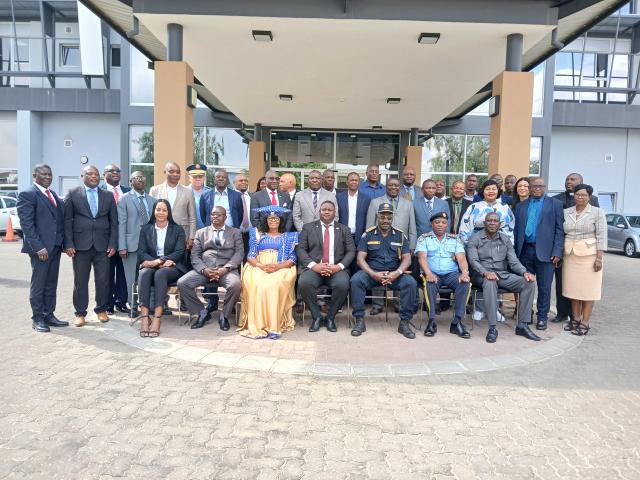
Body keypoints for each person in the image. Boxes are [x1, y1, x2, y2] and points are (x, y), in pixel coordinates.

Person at [467, 212, 540, 343]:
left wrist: (524, 272)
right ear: (484, 223)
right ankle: (492, 327)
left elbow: (513, 261)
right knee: (490, 282)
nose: (492, 223)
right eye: (489, 220)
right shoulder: (475, 239)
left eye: (495, 221)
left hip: (502, 275)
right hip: (481, 276)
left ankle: (522, 325)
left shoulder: (505, 239)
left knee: (528, 283)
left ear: (500, 224)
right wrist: (485, 272)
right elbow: (473, 261)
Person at [350, 203, 417, 339]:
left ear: (392, 218)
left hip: (394, 274)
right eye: (382, 217)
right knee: (356, 280)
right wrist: (372, 273)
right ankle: (359, 321)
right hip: (372, 274)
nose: (385, 220)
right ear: (377, 217)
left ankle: (404, 323)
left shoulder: (400, 236)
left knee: (410, 283)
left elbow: (407, 259)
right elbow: (360, 259)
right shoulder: (368, 235)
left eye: (388, 217)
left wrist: (396, 273)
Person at [64, 165, 118, 327]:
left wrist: (113, 243)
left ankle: (101, 310)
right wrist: (68, 243)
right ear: (82, 176)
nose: (94, 177)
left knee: (103, 280)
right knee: (80, 281)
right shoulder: (73, 193)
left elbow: (114, 222)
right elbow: (67, 220)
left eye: (96, 174)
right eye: (90, 174)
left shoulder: (107, 196)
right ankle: (80, 313)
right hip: (80, 246)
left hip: (103, 246)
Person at [17, 164, 67, 333]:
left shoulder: (51, 194)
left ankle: (49, 314)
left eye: (50, 174)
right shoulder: (28, 194)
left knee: (51, 283)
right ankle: (38, 317)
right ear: (34, 175)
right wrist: (38, 247)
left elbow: (58, 220)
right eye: (43, 174)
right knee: (39, 284)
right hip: (41, 250)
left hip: (54, 247)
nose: (48, 177)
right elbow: (27, 224)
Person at [178, 206, 244, 331]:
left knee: (236, 284)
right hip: (205, 270)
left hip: (226, 270)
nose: (215, 217)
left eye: (218, 215)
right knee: (183, 283)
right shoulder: (201, 232)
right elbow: (195, 255)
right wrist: (204, 269)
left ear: (225, 217)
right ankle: (202, 313)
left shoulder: (235, 232)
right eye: (213, 214)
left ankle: (224, 315)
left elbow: (239, 253)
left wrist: (226, 268)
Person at [238, 206, 299, 339]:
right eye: (270, 218)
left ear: (280, 221)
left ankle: (274, 326)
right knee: (258, 285)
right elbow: (251, 255)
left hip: (282, 267)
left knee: (274, 284)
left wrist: (279, 267)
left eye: (276, 218)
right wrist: (260, 265)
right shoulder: (257, 234)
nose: (273, 221)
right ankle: (258, 325)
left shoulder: (288, 237)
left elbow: (293, 258)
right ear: (265, 221)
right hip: (258, 266)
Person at [297, 200, 356, 332]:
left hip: (336, 269)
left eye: (330, 210)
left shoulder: (344, 229)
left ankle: (330, 317)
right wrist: (314, 266)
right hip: (314, 269)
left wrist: (339, 266)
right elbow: (301, 249)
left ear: (335, 213)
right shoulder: (308, 227)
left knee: (343, 284)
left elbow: (351, 251)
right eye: (324, 209)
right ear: (319, 212)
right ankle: (316, 316)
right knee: (304, 283)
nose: (327, 212)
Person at [514, 177, 564, 331]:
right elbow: (516, 230)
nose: (536, 188)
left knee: (544, 287)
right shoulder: (521, 206)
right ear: (529, 188)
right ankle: (526, 315)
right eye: (533, 186)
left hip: (546, 253)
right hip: (525, 251)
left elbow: (559, 230)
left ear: (544, 187)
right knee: (526, 285)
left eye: (539, 186)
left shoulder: (555, 204)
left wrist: (557, 251)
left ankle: (542, 317)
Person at [134, 199, 188, 337]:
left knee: (161, 274)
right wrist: (155, 263)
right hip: (153, 265)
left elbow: (179, 252)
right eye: (158, 209)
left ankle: (158, 318)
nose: (161, 212)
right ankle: (145, 318)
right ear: (153, 211)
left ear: (168, 212)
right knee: (144, 273)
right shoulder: (146, 229)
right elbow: (141, 251)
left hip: (172, 267)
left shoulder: (177, 230)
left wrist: (160, 261)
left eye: (164, 210)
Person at [552, 172, 599, 324]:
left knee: (582, 286)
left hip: (585, 252)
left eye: (572, 179)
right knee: (562, 283)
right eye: (567, 179)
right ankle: (562, 313)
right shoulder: (556, 200)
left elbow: (599, 230)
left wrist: (599, 256)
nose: (568, 181)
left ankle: (577, 317)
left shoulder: (593, 201)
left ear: (581, 182)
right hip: (564, 249)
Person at [415, 212, 471, 339]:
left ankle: (457, 322)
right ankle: (431, 321)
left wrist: (464, 273)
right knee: (429, 284)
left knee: (465, 283)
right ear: (432, 224)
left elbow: (461, 258)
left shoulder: (455, 239)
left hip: (451, 274)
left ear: (447, 224)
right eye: (437, 222)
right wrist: (428, 273)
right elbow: (422, 258)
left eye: (443, 222)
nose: (440, 225)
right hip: (432, 273)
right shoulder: (424, 238)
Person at [366, 177, 417, 315]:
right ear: (386, 187)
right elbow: (370, 225)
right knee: (377, 266)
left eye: (396, 185)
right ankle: (377, 304)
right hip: (379, 241)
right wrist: (370, 242)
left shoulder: (408, 203)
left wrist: (412, 245)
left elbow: (412, 226)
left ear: (399, 187)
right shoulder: (375, 202)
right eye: (390, 185)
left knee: (399, 270)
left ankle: (398, 303)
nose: (393, 187)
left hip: (400, 243)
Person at [561, 184, 607, 336]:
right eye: (577, 194)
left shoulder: (597, 212)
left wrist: (599, 258)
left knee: (588, 292)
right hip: (570, 255)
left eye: (583, 195)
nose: (580, 197)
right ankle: (575, 319)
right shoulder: (567, 212)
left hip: (590, 256)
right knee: (573, 290)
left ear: (589, 197)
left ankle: (585, 322)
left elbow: (601, 236)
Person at [117, 171, 156, 316]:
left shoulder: (152, 200)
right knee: (131, 279)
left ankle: (150, 306)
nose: (140, 180)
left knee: (150, 276)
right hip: (131, 245)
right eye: (137, 178)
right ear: (131, 181)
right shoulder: (124, 199)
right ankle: (133, 307)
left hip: (150, 246)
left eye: (143, 177)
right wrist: (122, 246)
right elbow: (121, 223)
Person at [100, 164, 131, 314]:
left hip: (125, 239)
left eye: (118, 171)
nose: (116, 173)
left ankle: (121, 301)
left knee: (123, 272)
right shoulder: (99, 191)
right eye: (111, 171)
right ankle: (108, 303)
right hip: (105, 240)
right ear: (104, 174)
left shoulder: (128, 191)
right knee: (107, 273)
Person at [149, 162, 196, 249]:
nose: (175, 174)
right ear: (165, 172)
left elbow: (192, 217)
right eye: (171, 171)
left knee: (180, 262)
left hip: (182, 235)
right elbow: (151, 215)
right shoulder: (155, 190)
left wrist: (192, 237)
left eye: (178, 172)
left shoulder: (188, 192)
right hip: (160, 235)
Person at [459, 179, 515, 245]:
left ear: (498, 191)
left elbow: (510, 228)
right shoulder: (474, 207)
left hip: (500, 246)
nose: (491, 191)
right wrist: (469, 246)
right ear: (483, 191)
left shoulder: (505, 207)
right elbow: (465, 228)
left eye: (494, 189)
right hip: (477, 246)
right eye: (488, 189)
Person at [337, 171, 371, 245]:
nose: (354, 182)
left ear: (359, 183)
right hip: (342, 235)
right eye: (352, 180)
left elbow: (368, 217)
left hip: (360, 236)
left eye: (356, 180)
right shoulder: (339, 197)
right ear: (347, 182)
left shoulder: (366, 198)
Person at [186, 163, 211, 230]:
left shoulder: (210, 193)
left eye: (200, 176)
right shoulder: (183, 192)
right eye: (195, 176)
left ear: (204, 177)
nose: (198, 179)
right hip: (189, 231)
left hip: (206, 231)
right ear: (189, 177)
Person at [234, 173, 252, 259]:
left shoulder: (253, 196)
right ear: (234, 182)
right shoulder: (231, 196)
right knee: (236, 258)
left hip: (250, 234)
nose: (244, 182)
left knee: (248, 258)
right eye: (241, 180)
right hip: (235, 234)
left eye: (246, 181)